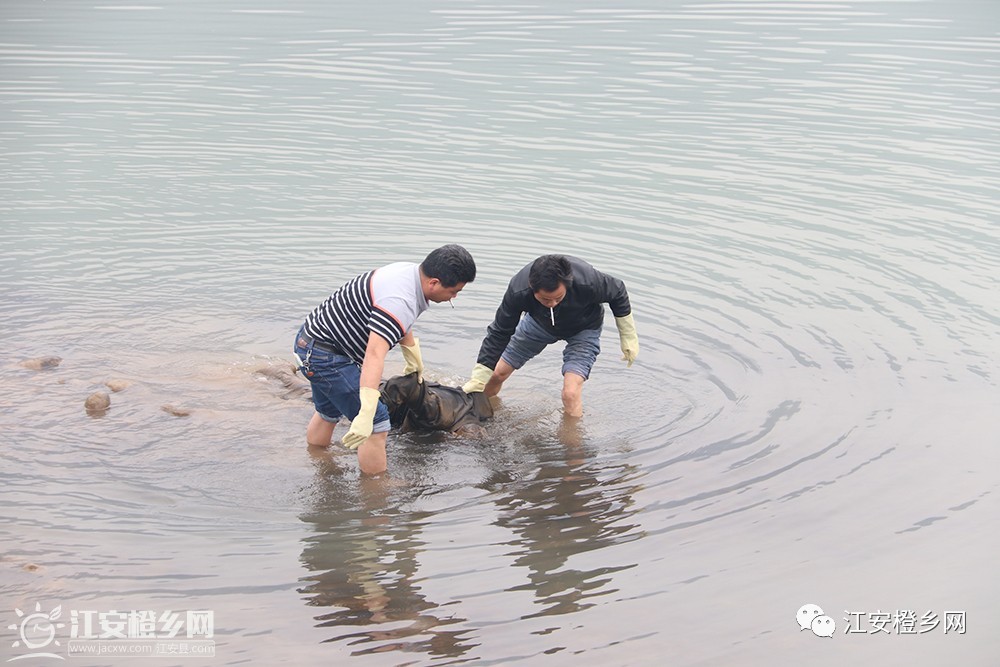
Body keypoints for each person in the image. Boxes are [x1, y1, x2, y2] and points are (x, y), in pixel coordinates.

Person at [294, 245, 476, 475]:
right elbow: (374, 354)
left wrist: (411, 355)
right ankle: (376, 492)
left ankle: (319, 461)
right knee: (377, 424)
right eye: (453, 292)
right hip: (326, 357)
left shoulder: (408, 274)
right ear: (434, 283)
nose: (454, 297)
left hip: (311, 343)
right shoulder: (401, 300)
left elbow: (399, 322)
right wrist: (368, 410)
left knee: (328, 412)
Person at [461, 254, 637, 418]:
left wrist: (628, 336)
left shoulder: (588, 281)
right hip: (537, 325)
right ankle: (478, 413)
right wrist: (479, 377)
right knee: (496, 374)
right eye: (545, 300)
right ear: (532, 288)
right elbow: (499, 332)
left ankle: (573, 446)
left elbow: (618, 291)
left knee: (570, 393)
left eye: (558, 298)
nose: (552, 304)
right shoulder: (518, 290)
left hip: (584, 328)